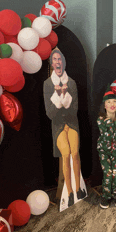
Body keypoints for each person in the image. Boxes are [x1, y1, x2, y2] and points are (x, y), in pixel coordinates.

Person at [43, 47, 86, 207]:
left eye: (59, 59)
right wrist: (60, 98)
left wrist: (66, 95)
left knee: (75, 153)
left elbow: (74, 109)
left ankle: (78, 190)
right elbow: (50, 113)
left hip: (72, 123)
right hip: (58, 125)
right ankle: (69, 192)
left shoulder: (72, 83)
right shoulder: (47, 84)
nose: (57, 62)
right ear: (51, 63)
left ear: (63, 62)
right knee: (66, 154)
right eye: (55, 59)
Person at [97, 85, 116, 209]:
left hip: (115, 151)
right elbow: (108, 137)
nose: (112, 104)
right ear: (105, 105)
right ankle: (106, 196)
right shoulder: (101, 120)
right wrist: (111, 123)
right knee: (108, 174)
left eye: (114, 101)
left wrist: (114, 123)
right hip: (104, 151)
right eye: (109, 102)